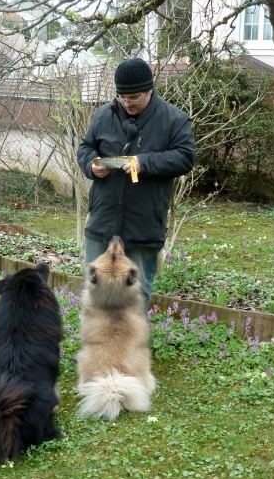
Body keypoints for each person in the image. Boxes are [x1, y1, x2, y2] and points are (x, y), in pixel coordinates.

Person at [77, 58, 196, 309]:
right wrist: (92, 165)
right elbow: (86, 147)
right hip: (102, 220)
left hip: (143, 224)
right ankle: (100, 345)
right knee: (96, 295)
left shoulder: (174, 120)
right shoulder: (102, 116)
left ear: (149, 90)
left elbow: (185, 157)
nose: (128, 104)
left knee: (135, 299)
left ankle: (129, 346)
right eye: (123, 97)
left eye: (134, 97)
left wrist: (144, 163)